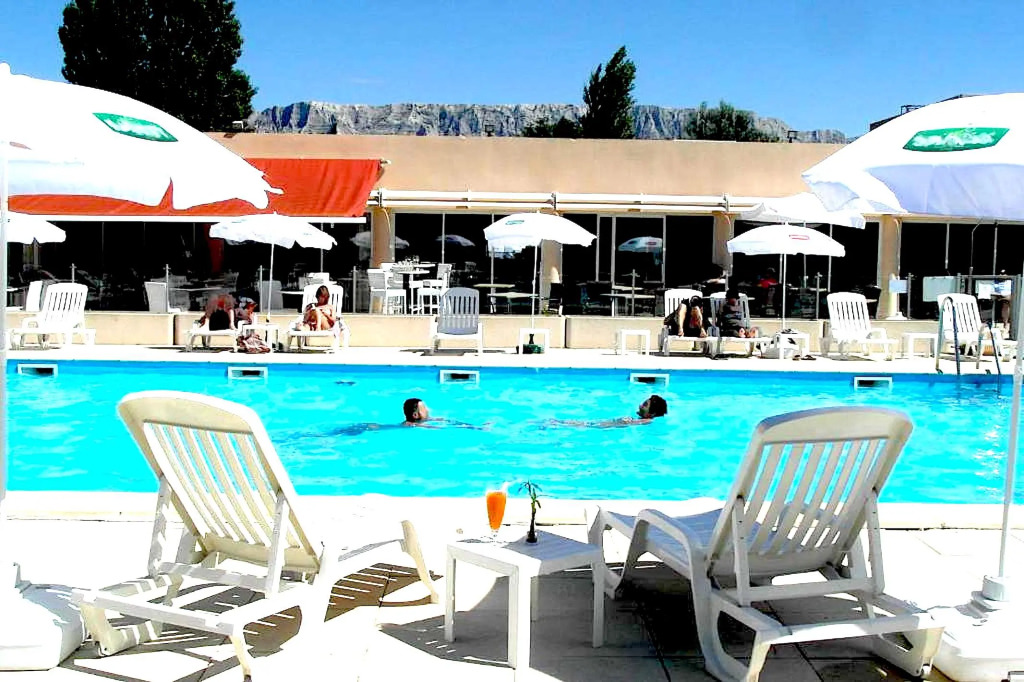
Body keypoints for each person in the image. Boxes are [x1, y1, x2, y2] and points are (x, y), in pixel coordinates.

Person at [544, 394, 668, 429]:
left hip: (603, 426)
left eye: (644, 405)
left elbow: (645, 422)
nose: (640, 405)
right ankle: (554, 422)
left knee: (581, 424)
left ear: (651, 413)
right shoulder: (644, 419)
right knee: (578, 423)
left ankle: (553, 423)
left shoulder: (648, 421)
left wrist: (630, 421)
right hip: (604, 424)